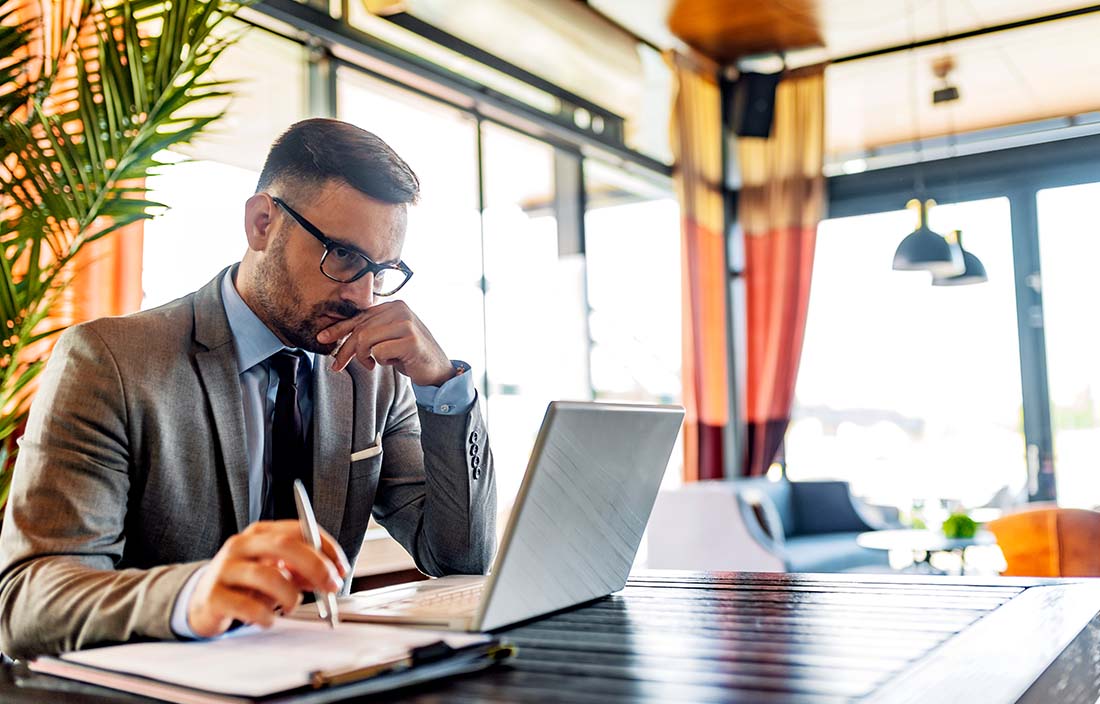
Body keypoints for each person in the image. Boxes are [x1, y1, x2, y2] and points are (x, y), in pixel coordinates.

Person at [0, 118, 496, 658]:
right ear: (262, 223)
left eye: (381, 270)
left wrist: (441, 387)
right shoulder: (110, 362)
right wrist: (190, 596)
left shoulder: (375, 373)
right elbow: (27, 603)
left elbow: (459, 559)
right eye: (346, 258)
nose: (364, 296)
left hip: (329, 682)